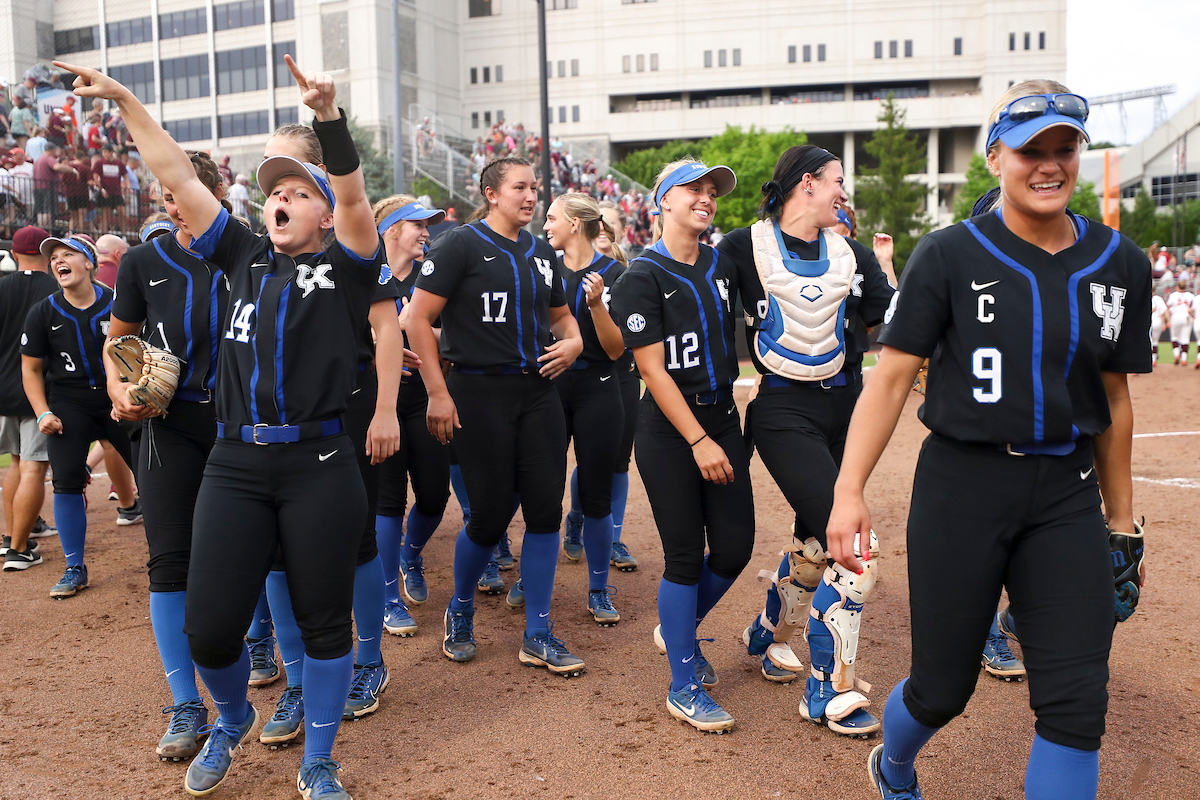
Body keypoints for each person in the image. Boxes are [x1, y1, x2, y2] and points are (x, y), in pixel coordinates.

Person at [56, 53, 384, 799]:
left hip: (321, 461)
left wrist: (328, 120)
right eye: (275, 191)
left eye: (300, 192)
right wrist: (125, 100)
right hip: (237, 462)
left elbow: (358, 200)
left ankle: (320, 760)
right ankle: (231, 720)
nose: (283, 198)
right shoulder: (238, 256)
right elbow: (176, 175)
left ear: (322, 213)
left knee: (324, 622)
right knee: (209, 628)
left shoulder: (348, 266)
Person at [824, 80, 1150, 800]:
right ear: (997, 154)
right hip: (962, 489)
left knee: (1075, 703)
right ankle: (895, 762)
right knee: (943, 688)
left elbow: (1117, 401)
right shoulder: (947, 255)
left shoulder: (1120, 263)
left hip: (1066, 494)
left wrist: (1120, 527)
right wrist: (848, 493)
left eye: (1065, 148)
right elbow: (889, 379)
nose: (1050, 164)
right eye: (1032, 149)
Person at [716, 144, 894, 738]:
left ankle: (767, 634)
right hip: (781, 409)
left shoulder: (853, 254)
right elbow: (707, 325)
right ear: (807, 183)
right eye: (837, 180)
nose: (844, 192)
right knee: (854, 549)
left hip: (847, 410)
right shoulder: (742, 248)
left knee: (817, 545)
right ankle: (828, 692)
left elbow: (889, 322)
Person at [406, 155, 587, 675]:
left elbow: (563, 319)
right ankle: (460, 609)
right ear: (491, 193)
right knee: (487, 518)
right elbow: (416, 319)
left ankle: (538, 631)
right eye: (520, 188)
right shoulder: (459, 243)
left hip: (538, 393)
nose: (531, 196)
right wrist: (438, 392)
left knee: (545, 512)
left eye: (535, 188)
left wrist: (573, 344)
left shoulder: (540, 252)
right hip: (477, 392)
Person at [254, 122, 403, 738]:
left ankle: (368, 659)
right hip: (280, 412)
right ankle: (297, 680)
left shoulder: (348, 242)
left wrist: (386, 409)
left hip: (351, 403)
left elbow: (387, 326)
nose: (273, 187)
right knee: (278, 550)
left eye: (285, 168)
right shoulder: (262, 248)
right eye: (268, 173)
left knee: (359, 540)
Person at [609, 159, 753, 733]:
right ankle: (683, 679)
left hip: (722, 416)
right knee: (685, 558)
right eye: (693, 189)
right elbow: (652, 370)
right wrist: (697, 439)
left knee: (736, 549)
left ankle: (678, 633)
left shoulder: (724, 261)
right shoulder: (641, 275)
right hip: (672, 431)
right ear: (662, 201)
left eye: (712, 190)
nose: (707, 197)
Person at [103, 152, 229, 763]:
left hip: (243, 426)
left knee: (264, 551)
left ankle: (267, 652)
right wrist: (119, 387)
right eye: (168, 191)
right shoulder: (143, 260)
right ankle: (186, 703)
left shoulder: (252, 255)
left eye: (185, 190)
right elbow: (118, 341)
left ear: (215, 194)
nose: (173, 200)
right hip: (168, 426)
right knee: (170, 561)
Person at [20, 234, 136, 597]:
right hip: (69, 401)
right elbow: (31, 370)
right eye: (54, 257)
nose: (58, 261)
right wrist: (43, 413)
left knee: (155, 472)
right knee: (67, 480)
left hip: (120, 396)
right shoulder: (44, 310)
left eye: (68, 254)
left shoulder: (120, 303)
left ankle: (174, 557)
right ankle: (74, 567)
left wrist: (134, 393)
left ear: (90, 263)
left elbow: (140, 351)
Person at [542, 192, 627, 624]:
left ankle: (598, 588)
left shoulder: (616, 273)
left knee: (595, 495)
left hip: (598, 387)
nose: (546, 225)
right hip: (548, 388)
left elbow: (616, 350)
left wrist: (596, 306)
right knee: (541, 489)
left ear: (575, 223)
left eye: (553, 217)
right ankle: (534, 579)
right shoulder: (543, 266)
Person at [372, 194, 451, 629]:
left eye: (428, 225)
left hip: (425, 395)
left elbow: (451, 335)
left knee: (436, 495)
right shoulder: (363, 273)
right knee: (388, 501)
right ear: (392, 230)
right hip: (380, 399)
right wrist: (381, 344)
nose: (426, 232)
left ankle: (411, 554)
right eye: (418, 224)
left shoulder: (431, 276)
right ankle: (387, 596)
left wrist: (412, 330)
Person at [0, 227, 58, 570]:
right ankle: (18, 550)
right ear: (46, 254)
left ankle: (12, 536)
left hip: (3, 389)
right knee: (35, 466)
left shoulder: (2, 286)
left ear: (15, 254)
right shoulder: (54, 288)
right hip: (40, 391)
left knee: (17, 463)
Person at [590, 200, 639, 571]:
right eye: (598, 221)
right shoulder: (563, 266)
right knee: (589, 460)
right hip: (578, 374)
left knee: (618, 460)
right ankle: (579, 518)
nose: (604, 227)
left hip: (622, 372)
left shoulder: (627, 271)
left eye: (611, 222)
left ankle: (615, 537)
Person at [1166, 278, 1195, 365]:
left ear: (1178, 286)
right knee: (1185, 338)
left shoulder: (1173, 295)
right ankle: (1184, 359)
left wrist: (1168, 319)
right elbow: (1192, 308)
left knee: (1175, 337)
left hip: (1176, 317)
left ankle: (1177, 354)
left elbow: (1167, 306)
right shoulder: (1191, 295)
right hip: (1187, 317)